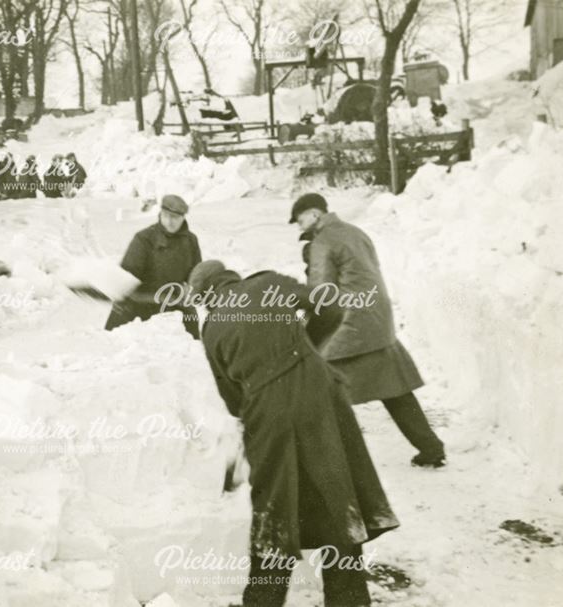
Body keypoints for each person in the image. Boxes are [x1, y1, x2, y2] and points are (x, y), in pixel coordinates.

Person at [189, 259, 398, 607]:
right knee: (336, 488)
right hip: (319, 393)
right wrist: (306, 350)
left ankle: (262, 601)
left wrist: (261, 406)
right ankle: (349, 598)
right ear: (229, 278)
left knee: (274, 506)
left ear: (206, 294)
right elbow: (329, 306)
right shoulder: (269, 283)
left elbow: (232, 399)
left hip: (267, 411)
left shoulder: (211, 329)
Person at [290, 192, 446, 468]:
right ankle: (430, 447)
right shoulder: (355, 232)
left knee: (318, 386)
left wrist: (297, 311)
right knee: (394, 389)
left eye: (300, 219)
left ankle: (323, 461)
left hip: (348, 327)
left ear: (314, 214)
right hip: (376, 320)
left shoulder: (323, 241)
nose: (299, 226)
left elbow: (320, 293)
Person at [104, 194, 201, 338]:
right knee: (116, 343)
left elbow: (196, 274)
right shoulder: (143, 239)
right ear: (160, 213)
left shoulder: (190, 241)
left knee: (193, 342)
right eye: (166, 215)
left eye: (175, 217)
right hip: (140, 302)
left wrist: (192, 290)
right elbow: (126, 281)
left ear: (183, 218)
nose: (169, 221)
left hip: (174, 301)